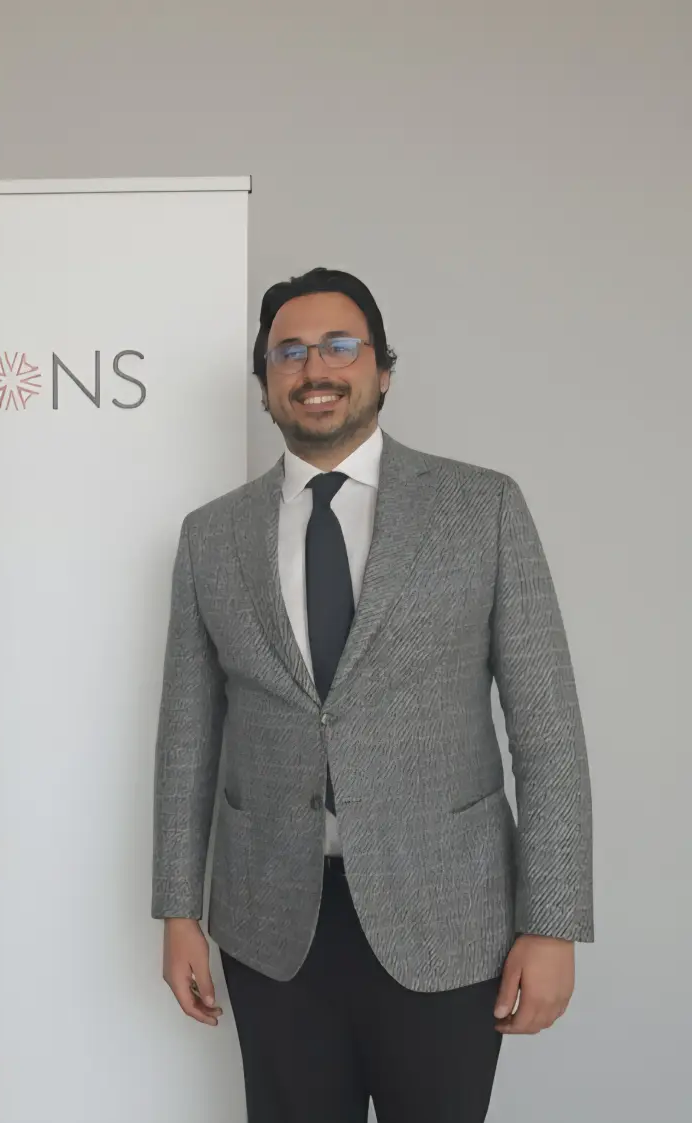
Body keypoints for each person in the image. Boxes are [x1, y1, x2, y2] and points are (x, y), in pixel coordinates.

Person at [150, 267, 593, 1123]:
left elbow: (548, 734)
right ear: (265, 383)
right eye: (289, 352)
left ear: (383, 369)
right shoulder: (212, 536)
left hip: (449, 916)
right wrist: (177, 910)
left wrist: (553, 921)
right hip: (270, 924)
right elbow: (186, 739)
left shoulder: (482, 508)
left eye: (339, 345)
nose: (314, 367)